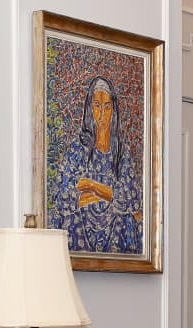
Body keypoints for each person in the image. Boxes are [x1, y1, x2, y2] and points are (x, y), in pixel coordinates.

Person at [52, 75, 143, 254]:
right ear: (89, 108)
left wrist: (90, 185)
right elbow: (61, 197)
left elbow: (133, 200)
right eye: (97, 106)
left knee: (129, 220)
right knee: (67, 218)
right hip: (80, 230)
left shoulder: (121, 152)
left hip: (116, 231)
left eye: (107, 107)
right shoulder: (78, 148)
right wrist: (109, 195)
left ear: (114, 110)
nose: (102, 114)